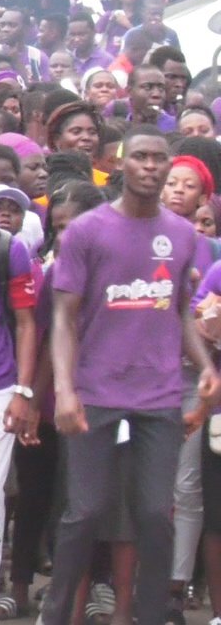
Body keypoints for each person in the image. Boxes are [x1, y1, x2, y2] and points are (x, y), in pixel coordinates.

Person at [42, 128, 220, 625]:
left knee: (153, 516)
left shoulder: (184, 236)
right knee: (84, 513)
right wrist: (65, 389)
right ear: (124, 163)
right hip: (96, 390)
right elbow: (63, 319)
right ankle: (56, 616)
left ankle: (149, 615)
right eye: (140, 157)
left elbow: (180, 311)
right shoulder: (86, 231)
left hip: (159, 393)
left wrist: (206, 367)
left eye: (158, 159)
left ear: (169, 168)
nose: (149, 166)